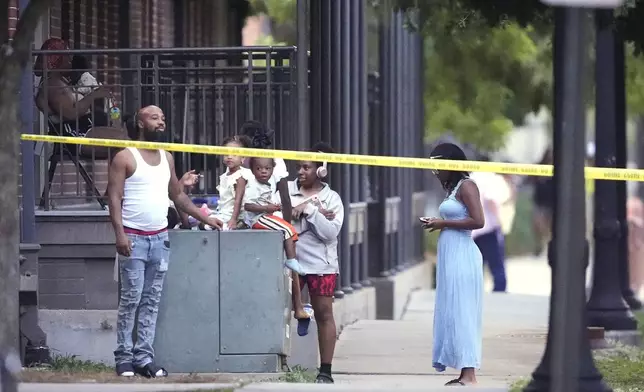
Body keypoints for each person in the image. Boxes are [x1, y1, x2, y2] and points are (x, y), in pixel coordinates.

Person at [107, 105, 224, 378]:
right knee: (131, 300)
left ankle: (144, 358)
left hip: (160, 239)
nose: (161, 122)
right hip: (133, 238)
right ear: (139, 122)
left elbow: (178, 196)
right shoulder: (125, 157)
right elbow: (113, 198)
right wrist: (119, 234)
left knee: (151, 300)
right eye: (154, 117)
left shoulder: (167, 158)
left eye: (163, 117)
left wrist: (205, 219)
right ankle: (123, 357)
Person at [273, 142, 344, 384]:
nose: (300, 172)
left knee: (324, 313)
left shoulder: (332, 199)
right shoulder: (285, 191)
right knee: (279, 311)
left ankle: (325, 370)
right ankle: (276, 365)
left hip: (320, 266)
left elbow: (330, 233)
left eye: (306, 167)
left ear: (320, 170)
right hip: (288, 263)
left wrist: (310, 211)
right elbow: (279, 216)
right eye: (298, 167)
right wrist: (299, 209)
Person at [422, 142, 484, 386]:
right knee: (452, 312)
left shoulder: (467, 186)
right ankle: (462, 371)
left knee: (463, 312)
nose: (436, 172)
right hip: (450, 254)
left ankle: (470, 374)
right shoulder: (453, 189)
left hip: (462, 255)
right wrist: (437, 222)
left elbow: (478, 221)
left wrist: (443, 223)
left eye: (439, 165)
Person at [35, 38, 112, 137]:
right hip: (76, 134)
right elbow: (70, 113)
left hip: (85, 129)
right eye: (67, 55)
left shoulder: (59, 81)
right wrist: (93, 95)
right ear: (57, 58)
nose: (71, 59)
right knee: (121, 137)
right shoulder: (52, 84)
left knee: (121, 137)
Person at [470, 169, 508, 293]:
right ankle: (499, 292)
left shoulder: (470, 178)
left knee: (475, 264)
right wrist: (499, 221)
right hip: (488, 228)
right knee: (496, 264)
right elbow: (491, 200)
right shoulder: (491, 179)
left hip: (472, 229)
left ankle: (473, 291)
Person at [531, 148, 554, 256]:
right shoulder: (539, 166)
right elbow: (530, 180)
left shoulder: (558, 168)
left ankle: (548, 247)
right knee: (538, 227)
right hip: (540, 202)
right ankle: (540, 246)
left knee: (550, 227)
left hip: (551, 202)